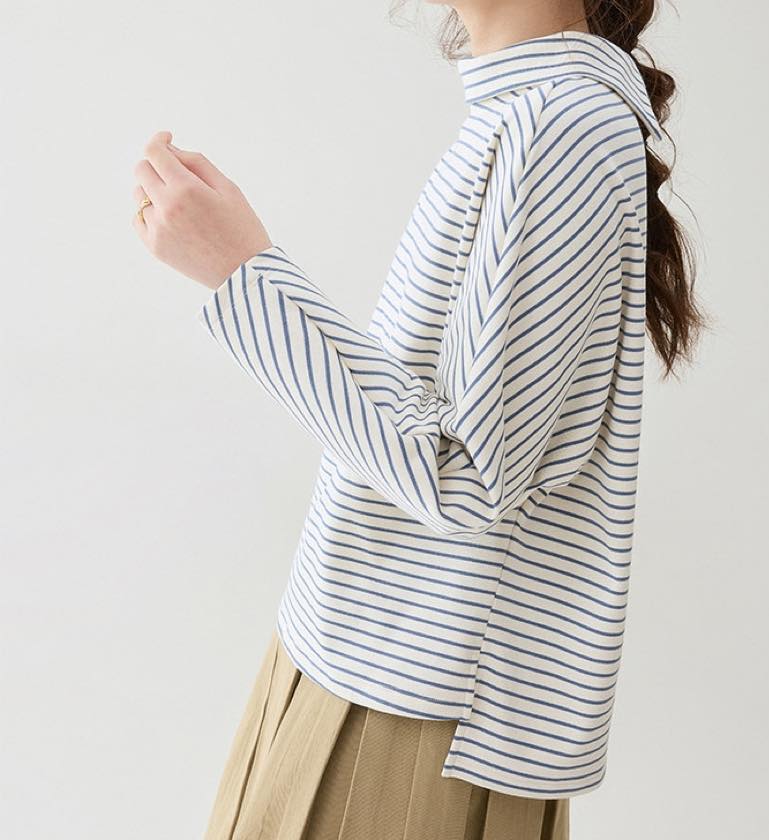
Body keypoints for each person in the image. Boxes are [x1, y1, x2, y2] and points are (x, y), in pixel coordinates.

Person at [131, 1, 704, 837]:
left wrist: (241, 272)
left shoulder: (560, 127)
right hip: (365, 665)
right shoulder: (532, 111)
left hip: (407, 712)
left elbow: (465, 474)